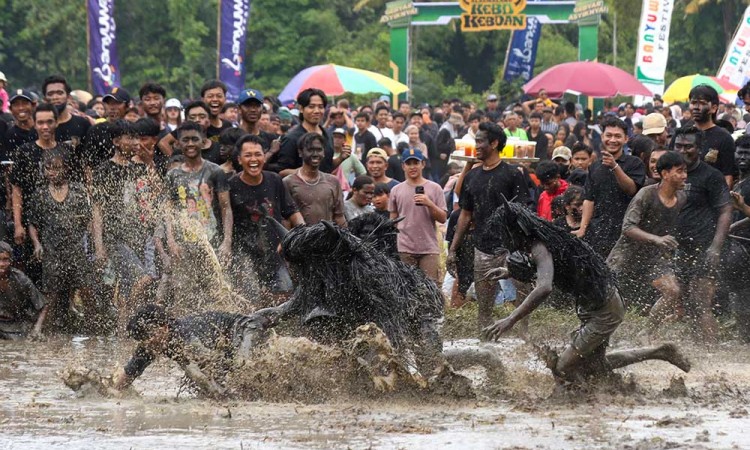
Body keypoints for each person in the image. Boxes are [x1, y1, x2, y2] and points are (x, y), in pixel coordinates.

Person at [481, 199, 691, 385]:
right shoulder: (546, 238)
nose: (504, 239)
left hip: (604, 307)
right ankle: (660, 352)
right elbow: (554, 267)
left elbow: (544, 287)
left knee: (564, 368)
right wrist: (509, 271)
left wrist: (511, 319)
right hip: (597, 302)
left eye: (505, 233)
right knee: (594, 365)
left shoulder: (540, 246)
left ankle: (591, 398)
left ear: (517, 230)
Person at [448, 122, 532, 330]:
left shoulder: (513, 174)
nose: (475, 145)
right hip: (483, 247)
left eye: (479, 141)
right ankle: (485, 341)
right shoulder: (472, 177)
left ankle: (524, 340)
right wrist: (452, 249)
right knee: (484, 303)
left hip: (513, 247)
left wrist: (526, 246)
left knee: (523, 295)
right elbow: (465, 214)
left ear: (494, 143)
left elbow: (523, 212)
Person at [112, 304, 270, 399]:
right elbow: (124, 379)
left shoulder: (186, 337)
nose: (148, 343)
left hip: (244, 327)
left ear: (164, 327)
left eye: (150, 335)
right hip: (227, 342)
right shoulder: (150, 345)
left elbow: (210, 369)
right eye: (143, 339)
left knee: (240, 367)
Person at [607, 151, 687, 335]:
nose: (684, 176)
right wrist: (656, 239)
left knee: (673, 291)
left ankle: (648, 333)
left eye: (685, 171)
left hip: (654, 257)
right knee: (607, 297)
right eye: (680, 171)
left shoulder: (682, 197)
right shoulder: (646, 194)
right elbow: (627, 227)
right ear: (665, 174)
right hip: (626, 254)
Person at [92, 120, 158, 322]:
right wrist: (99, 246)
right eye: (130, 138)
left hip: (138, 235)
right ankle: (126, 319)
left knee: (130, 285)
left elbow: (155, 196)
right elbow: (97, 210)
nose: (136, 142)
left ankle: (122, 331)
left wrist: (149, 164)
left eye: (137, 137)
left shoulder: (138, 168)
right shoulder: (104, 170)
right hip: (115, 237)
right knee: (144, 279)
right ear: (116, 141)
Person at [671, 126, 732, 343]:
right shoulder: (669, 173)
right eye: (678, 145)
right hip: (678, 247)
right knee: (682, 300)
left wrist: (715, 247)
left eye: (688, 146)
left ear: (699, 148)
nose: (682, 150)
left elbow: (725, 211)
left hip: (704, 247)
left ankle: (711, 353)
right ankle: (696, 346)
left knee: (700, 303)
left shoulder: (711, 175)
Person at [228, 134, 303, 298]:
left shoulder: (274, 180)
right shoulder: (231, 185)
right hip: (244, 255)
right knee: (249, 299)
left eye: (258, 154)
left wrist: (303, 233)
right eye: (248, 155)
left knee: (284, 296)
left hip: (275, 251)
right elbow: (225, 221)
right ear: (239, 160)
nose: (253, 159)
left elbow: (292, 212)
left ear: (264, 156)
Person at [28, 148, 94, 330]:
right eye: (48, 168)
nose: (52, 172)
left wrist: (93, 246)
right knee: (51, 295)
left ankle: (93, 329)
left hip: (76, 249)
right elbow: (33, 224)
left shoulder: (78, 191)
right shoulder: (40, 194)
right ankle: (44, 331)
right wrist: (37, 244)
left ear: (66, 168)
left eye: (56, 168)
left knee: (86, 289)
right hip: (52, 251)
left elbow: (88, 220)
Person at [575, 116, 646, 257]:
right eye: (609, 135)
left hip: (625, 231)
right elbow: (589, 199)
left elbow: (631, 189)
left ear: (626, 139)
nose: (612, 140)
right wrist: (583, 228)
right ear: (602, 137)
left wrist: (615, 166)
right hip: (598, 231)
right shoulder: (595, 166)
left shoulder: (634, 163)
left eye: (617, 136)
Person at [10, 103, 75, 247]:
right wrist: (18, 224)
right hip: (32, 220)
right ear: (34, 124)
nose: (45, 126)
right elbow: (16, 190)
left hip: (63, 222)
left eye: (49, 122)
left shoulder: (67, 150)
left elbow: (75, 186)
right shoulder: (24, 152)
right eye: (40, 122)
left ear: (56, 122)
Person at [388, 148, 447, 282]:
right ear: (403, 166)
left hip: (429, 247)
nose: (413, 167)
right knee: (407, 288)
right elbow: (393, 219)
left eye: (416, 163)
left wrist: (429, 203)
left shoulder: (435, 188)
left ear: (423, 164)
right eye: (409, 163)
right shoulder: (396, 190)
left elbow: (443, 218)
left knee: (430, 288)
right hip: (405, 247)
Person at [283, 132, 346, 227]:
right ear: (300, 152)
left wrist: (346, 239)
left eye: (319, 150)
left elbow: (339, 217)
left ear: (324, 152)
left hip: (327, 239)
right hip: (300, 239)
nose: (315, 154)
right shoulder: (288, 182)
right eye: (310, 150)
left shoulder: (333, 181)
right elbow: (286, 220)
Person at [276, 89, 335, 176]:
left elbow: (327, 166)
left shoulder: (328, 135)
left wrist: (341, 158)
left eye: (320, 107)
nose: (316, 111)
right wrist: (308, 173)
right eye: (311, 106)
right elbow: (282, 171)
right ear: (301, 108)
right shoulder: (291, 138)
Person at [687, 84, 737, 187]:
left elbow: (728, 175)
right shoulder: (682, 134)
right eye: (693, 103)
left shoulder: (724, 138)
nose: (696, 107)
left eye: (702, 103)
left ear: (714, 108)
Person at [0, 241, 47, 340]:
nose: (1, 264)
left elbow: (43, 306)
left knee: (19, 345)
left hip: (15, 326)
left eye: (5, 260)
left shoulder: (21, 279)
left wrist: (37, 329)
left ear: (11, 261)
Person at [42, 75, 91, 153]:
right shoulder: (40, 128)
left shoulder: (83, 124)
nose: (55, 97)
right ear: (45, 99)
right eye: (50, 94)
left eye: (60, 93)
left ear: (68, 97)